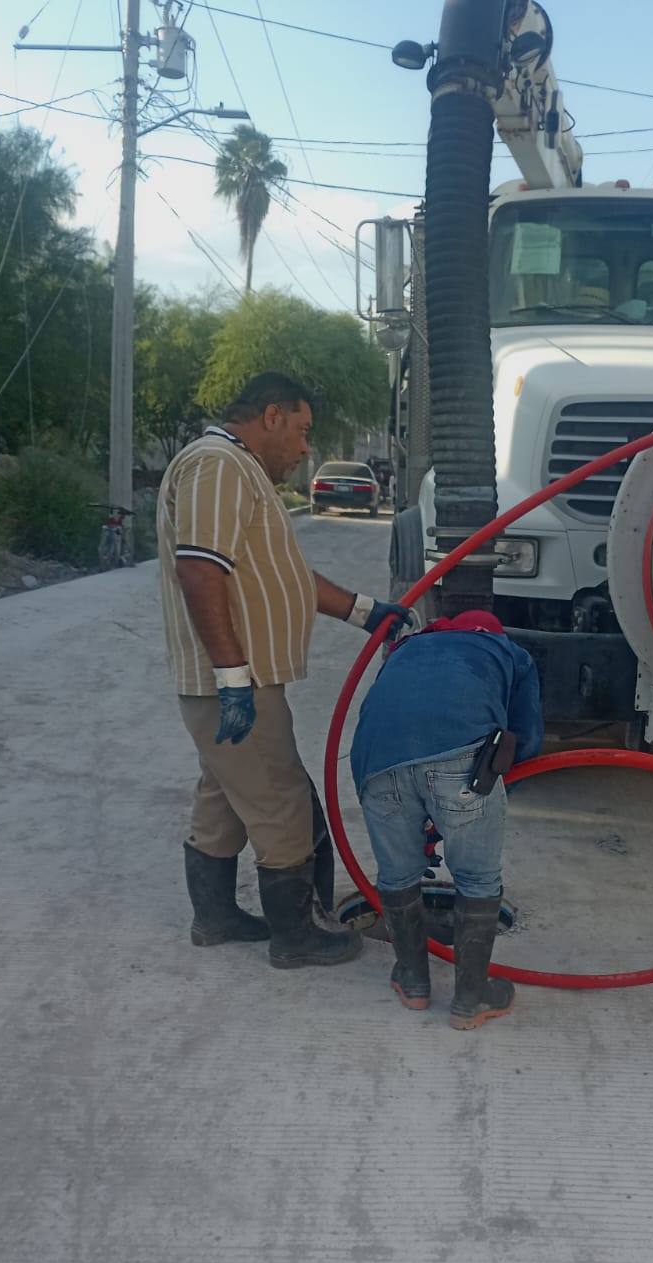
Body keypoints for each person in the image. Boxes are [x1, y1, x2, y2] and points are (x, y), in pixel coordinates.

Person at [157, 372, 411, 969]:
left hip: (233, 679)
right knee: (282, 799)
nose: (303, 449)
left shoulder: (238, 470)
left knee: (225, 794)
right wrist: (232, 678)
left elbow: (285, 577)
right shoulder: (217, 464)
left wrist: (367, 612)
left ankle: (215, 918)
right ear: (271, 415)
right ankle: (296, 937)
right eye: (300, 431)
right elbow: (199, 570)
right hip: (231, 682)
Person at [350, 611, 544, 1029]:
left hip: (376, 762)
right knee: (477, 878)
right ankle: (471, 999)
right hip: (461, 760)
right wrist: (490, 792)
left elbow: (386, 715)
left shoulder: (406, 648)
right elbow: (526, 739)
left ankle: (413, 983)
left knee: (397, 874)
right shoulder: (508, 652)